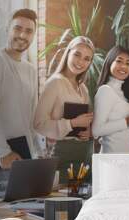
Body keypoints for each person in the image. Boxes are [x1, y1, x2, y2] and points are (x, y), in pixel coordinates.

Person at [0, 9, 41, 192]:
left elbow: (30, 115)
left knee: (25, 213)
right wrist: (2, 151)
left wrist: (37, 149)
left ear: (34, 35)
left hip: (23, 152)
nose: (22, 35)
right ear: (7, 29)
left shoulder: (30, 69)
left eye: (29, 31)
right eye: (17, 28)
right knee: (1, 213)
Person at [34, 36, 94, 183]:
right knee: (64, 200)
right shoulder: (54, 83)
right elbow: (38, 124)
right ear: (68, 53)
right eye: (77, 55)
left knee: (82, 201)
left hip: (83, 154)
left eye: (87, 59)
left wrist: (87, 132)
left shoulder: (83, 89)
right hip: (61, 154)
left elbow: (84, 122)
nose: (81, 62)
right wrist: (72, 123)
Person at [92, 46, 129, 153]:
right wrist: (128, 120)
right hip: (111, 158)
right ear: (109, 62)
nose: (123, 66)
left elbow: (119, 134)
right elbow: (96, 130)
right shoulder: (105, 90)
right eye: (119, 61)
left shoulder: (124, 94)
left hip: (125, 158)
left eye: (128, 63)